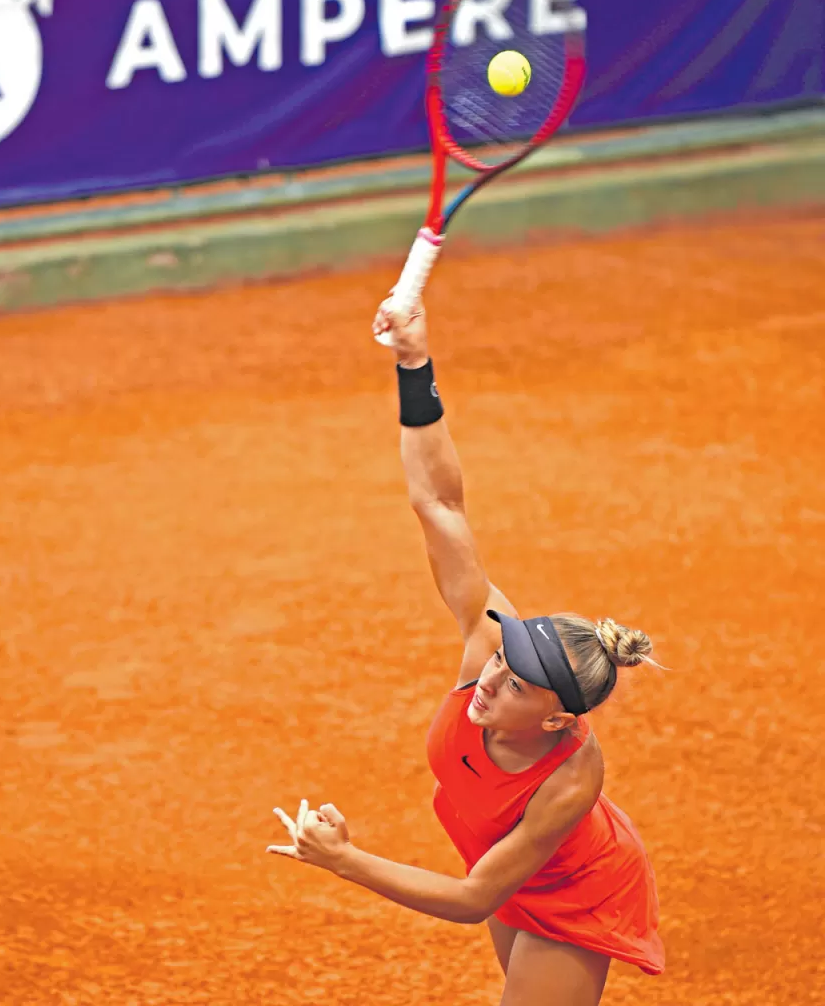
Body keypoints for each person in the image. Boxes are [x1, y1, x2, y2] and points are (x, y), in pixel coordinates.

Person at [266, 290, 664, 1005]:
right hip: (506, 861)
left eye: (516, 685)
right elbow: (439, 504)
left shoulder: (571, 777)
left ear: (557, 720)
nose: (491, 678)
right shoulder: (488, 645)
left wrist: (344, 860)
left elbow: (474, 896)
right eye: (504, 661)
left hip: (577, 887)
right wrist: (414, 363)